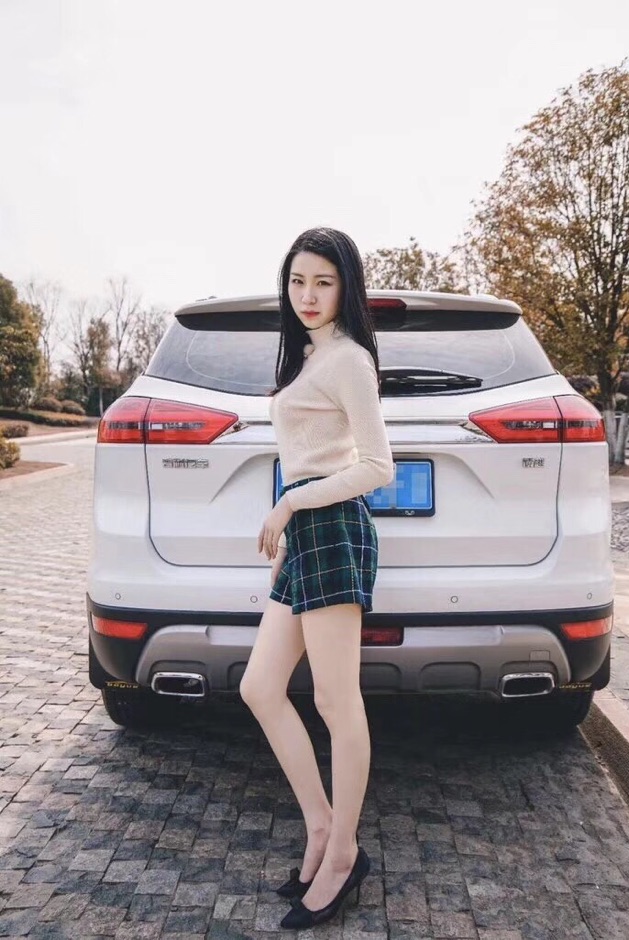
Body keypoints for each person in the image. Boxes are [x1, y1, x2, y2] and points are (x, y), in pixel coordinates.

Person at [239, 226, 394, 930]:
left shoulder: (349, 360)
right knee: (260, 687)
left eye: (323, 282)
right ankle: (322, 826)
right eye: (298, 280)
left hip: (331, 530)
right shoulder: (310, 356)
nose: (308, 294)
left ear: (345, 288)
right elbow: (308, 454)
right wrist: (290, 525)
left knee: (336, 700)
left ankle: (343, 854)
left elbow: (378, 467)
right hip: (306, 536)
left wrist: (292, 505)